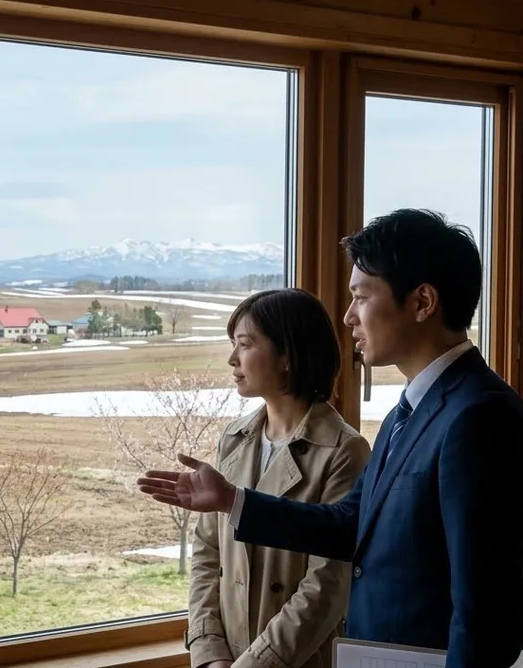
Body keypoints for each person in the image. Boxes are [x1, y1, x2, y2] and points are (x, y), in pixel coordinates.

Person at [138, 209, 523, 668]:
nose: (347, 317)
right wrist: (232, 501)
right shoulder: (412, 410)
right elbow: (347, 526)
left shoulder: (479, 415)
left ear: (422, 302)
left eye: (361, 297)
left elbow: (487, 610)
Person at [188, 288, 370, 668]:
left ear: (287, 355)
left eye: (245, 344)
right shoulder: (233, 439)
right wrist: (210, 652)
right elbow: (208, 551)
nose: (232, 359)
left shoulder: (345, 451)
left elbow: (327, 587)